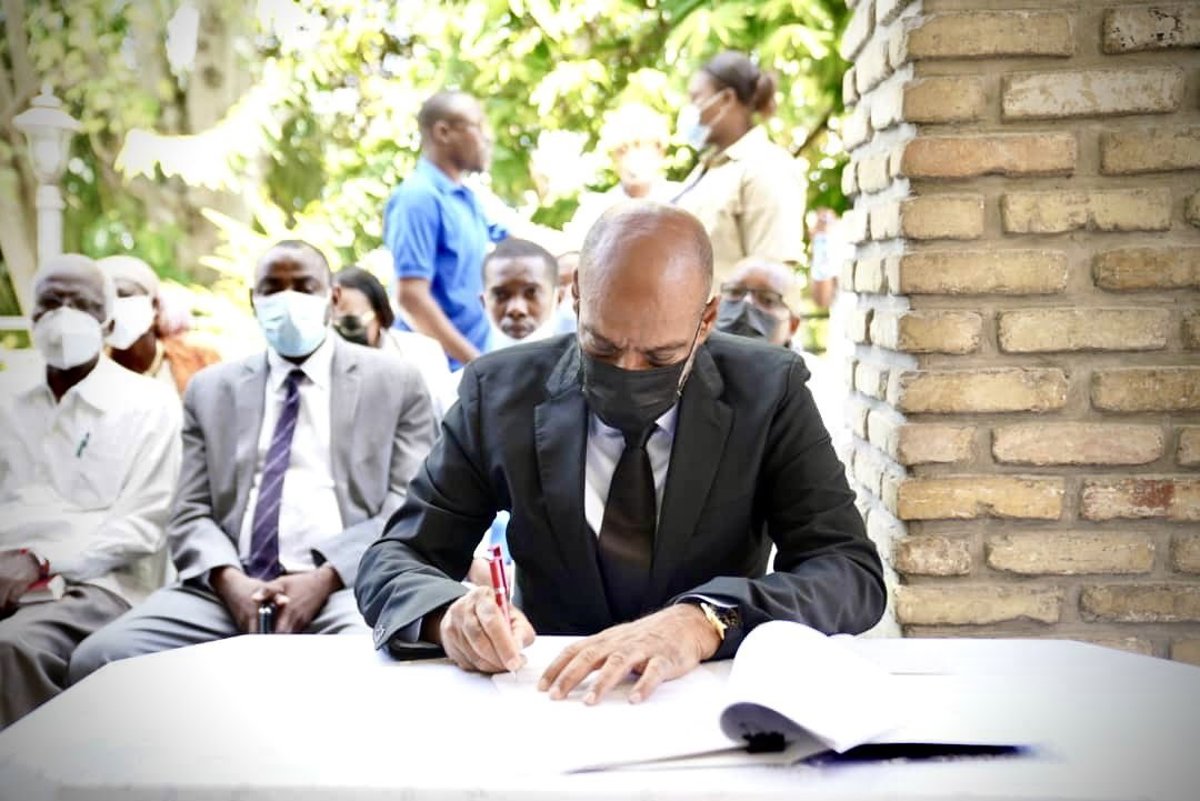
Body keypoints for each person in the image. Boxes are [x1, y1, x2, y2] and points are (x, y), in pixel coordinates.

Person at [356, 203, 884, 705]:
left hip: (708, 698)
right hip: (546, 692)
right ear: (576, 298)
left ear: (706, 321)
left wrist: (706, 620)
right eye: (602, 348)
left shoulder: (767, 392)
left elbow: (847, 570)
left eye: (660, 357)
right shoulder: (499, 392)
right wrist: (449, 616)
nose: (628, 372)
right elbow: (395, 558)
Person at [69, 240, 438, 681]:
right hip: (229, 589)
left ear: (333, 296)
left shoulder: (395, 382)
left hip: (349, 585)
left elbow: (406, 508)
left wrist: (325, 578)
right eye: (272, 288)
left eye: (303, 286)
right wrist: (230, 582)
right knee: (100, 659)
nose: (288, 299)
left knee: (372, 664)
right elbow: (190, 511)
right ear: (253, 299)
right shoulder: (212, 389)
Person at [0, 254, 182, 727]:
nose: (64, 316)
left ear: (109, 323)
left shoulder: (149, 404)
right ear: (32, 317)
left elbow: (143, 525)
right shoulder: (7, 397)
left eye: (81, 304)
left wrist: (41, 561)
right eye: (50, 303)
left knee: (12, 649)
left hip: (97, 585)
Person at [385, 90, 507, 369]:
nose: (487, 138)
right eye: (478, 126)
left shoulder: (468, 199)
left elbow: (523, 244)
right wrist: (477, 365)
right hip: (438, 375)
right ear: (443, 132)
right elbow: (411, 298)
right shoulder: (418, 198)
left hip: (470, 371)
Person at [673, 51, 807, 286]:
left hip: (729, 312)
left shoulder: (767, 167)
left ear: (726, 99)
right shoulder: (708, 168)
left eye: (696, 98)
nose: (691, 109)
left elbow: (770, 281)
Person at [715, 257, 842, 444]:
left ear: (793, 325)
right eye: (735, 292)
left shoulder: (816, 385)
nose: (747, 303)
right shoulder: (690, 366)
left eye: (767, 299)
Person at [332, 266, 451, 419]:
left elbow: (444, 416)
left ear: (379, 315)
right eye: (332, 325)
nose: (341, 333)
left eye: (351, 323)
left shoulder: (423, 353)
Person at [98, 254, 220, 395]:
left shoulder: (201, 360)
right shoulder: (92, 376)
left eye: (124, 294)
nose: (115, 307)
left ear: (155, 306)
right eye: (106, 300)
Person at [564, 103, 679, 248]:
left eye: (640, 147)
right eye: (622, 151)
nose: (632, 159)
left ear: (660, 152)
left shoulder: (682, 203)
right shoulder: (594, 212)